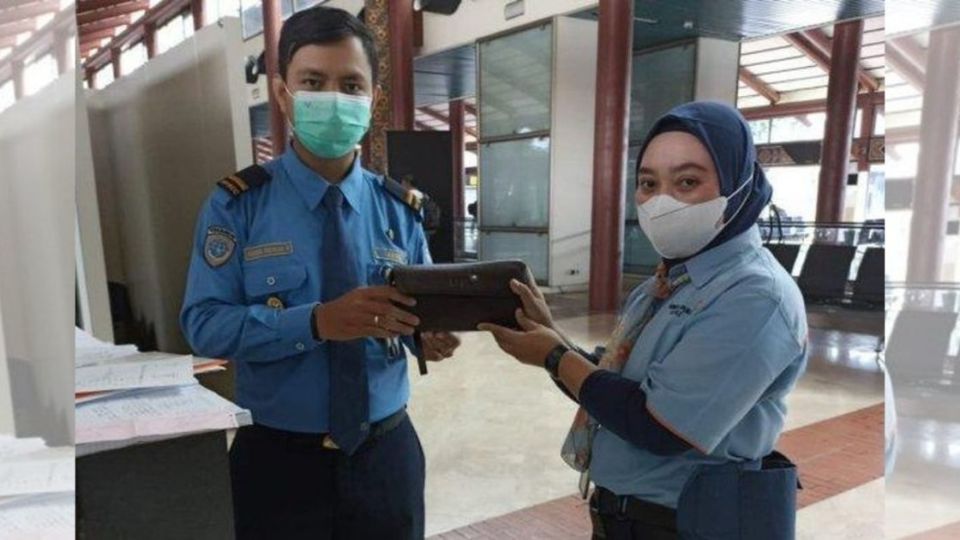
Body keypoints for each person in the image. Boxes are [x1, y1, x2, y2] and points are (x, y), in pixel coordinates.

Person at [180, 7, 461, 539]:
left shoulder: (400, 209)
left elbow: (420, 316)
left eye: (351, 84)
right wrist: (315, 323)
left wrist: (429, 338)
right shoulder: (237, 206)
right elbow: (203, 324)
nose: (333, 97)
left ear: (372, 99)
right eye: (314, 81)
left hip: (387, 457)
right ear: (284, 95)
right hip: (279, 463)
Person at [480, 101, 809, 540]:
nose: (661, 201)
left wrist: (555, 355)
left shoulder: (755, 296)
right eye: (648, 184)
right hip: (627, 520)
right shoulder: (668, 280)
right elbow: (616, 382)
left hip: (691, 525)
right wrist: (551, 336)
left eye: (687, 182)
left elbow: (658, 425)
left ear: (739, 184)